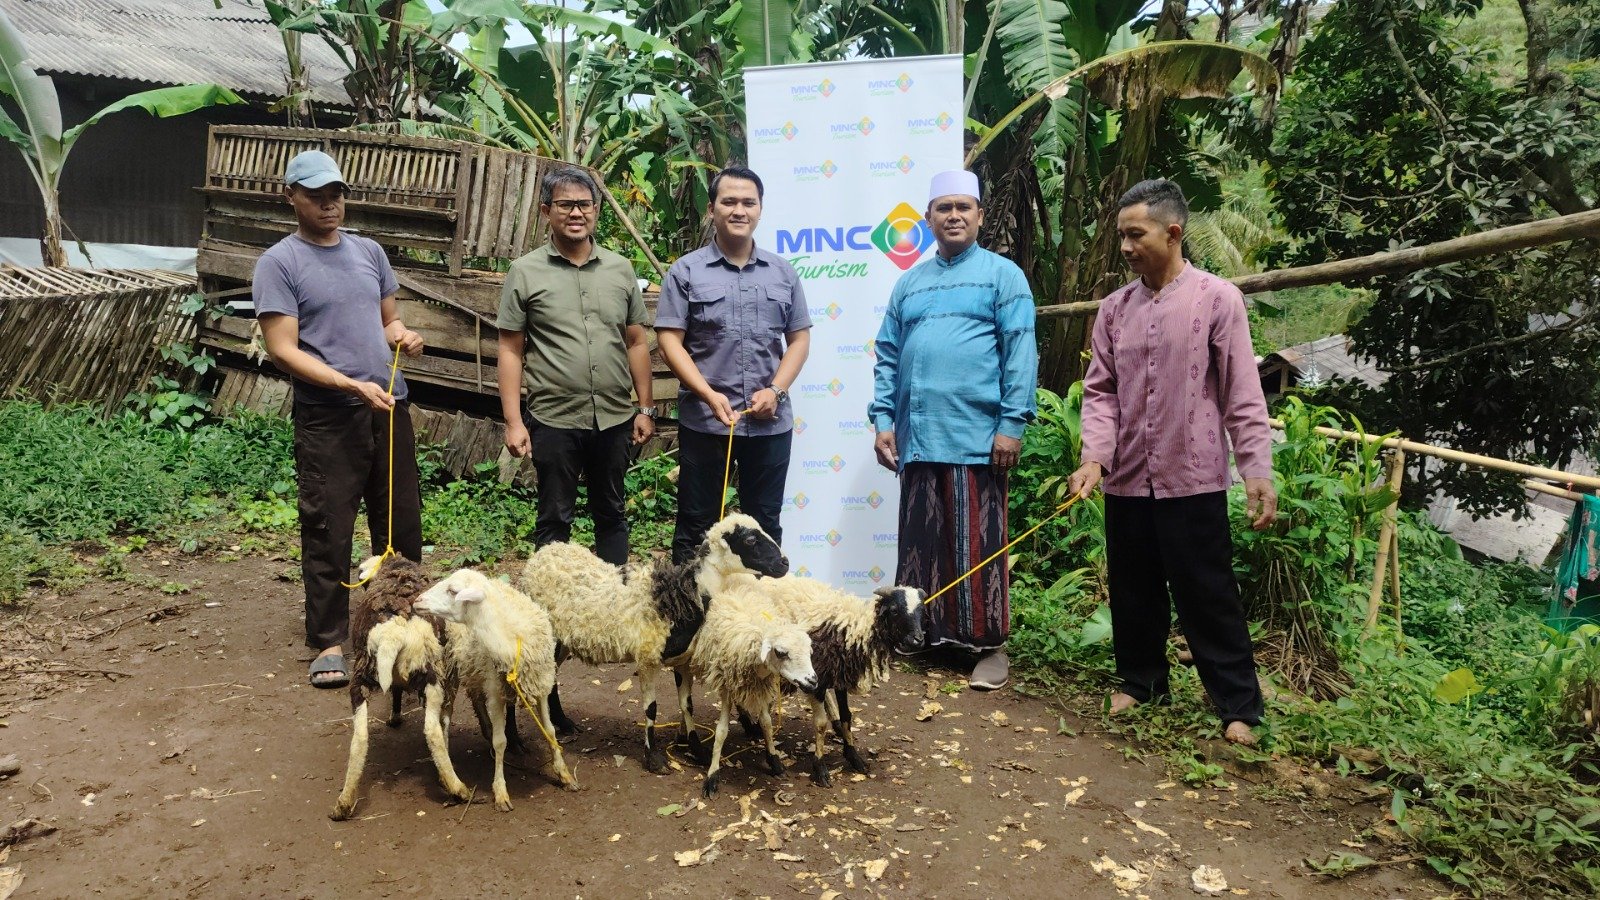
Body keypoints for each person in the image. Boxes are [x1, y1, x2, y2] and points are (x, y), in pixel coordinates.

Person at [1066, 178, 1278, 745]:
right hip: (1128, 478)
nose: (1126, 247)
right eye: (1122, 237)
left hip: (1194, 475)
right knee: (1133, 590)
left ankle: (1238, 705)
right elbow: (1101, 392)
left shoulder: (1217, 299)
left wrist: (1258, 471)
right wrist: (1094, 459)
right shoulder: (1113, 311)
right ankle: (1143, 681)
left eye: (1136, 235)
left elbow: (1242, 393)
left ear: (1173, 232)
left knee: (1207, 593)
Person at [254, 149, 425, 689]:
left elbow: (389, 320)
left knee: (399, 520)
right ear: (291, 197)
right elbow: (283, 349)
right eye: (317, 195)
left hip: (389, 406)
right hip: (329, 416)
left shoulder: (370, 252)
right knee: (329, 526)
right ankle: (329, 640)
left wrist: (404, 336)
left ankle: (402, 620)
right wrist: (349, 382)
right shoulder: (279, 263)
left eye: (337, 194)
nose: (330, 205)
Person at [868, 169, 1037, 691]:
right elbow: (888, 356)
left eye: (964, 207)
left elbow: (1021, 352)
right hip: (918, 439)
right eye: (944, 208)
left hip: (976, 438)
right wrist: (882, 420)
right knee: (921, 544)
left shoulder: (1002, 276)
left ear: (981, 215)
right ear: (929, 219)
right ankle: (924, 636)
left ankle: (990, 647)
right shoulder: (910, 282)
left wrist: (1011, 423)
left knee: (977, 546)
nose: (954, 216)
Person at [496, 165, 656, 566]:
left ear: (596, 210)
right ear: (546, 211)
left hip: (615, 418)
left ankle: (615, 607)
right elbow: (510, 350)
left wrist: (646, 408)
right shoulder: (525, 271)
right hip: (555, 420)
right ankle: (550, 614)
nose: (576, 213)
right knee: (554, 519)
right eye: (565, 205)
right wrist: (515, 421)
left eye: (584, 204)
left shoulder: (620, 269)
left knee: (612, 514)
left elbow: (636, 342)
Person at [656, 165, 811, 563]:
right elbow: (669, 340)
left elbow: (799, 339)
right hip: (706, 422)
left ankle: (758, 619)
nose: (739, 210)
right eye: (729, 201)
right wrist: (707, 395)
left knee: (765, 526)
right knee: (696, 524)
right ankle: (689, 617)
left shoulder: (782, 272)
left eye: (748, 202)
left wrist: (776, 390)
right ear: (712, 209)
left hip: (770, 422)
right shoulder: (685, 271)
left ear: (759, 209)